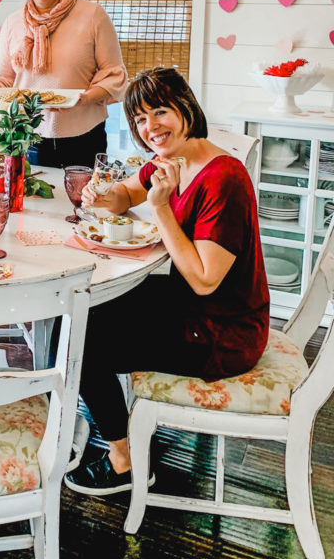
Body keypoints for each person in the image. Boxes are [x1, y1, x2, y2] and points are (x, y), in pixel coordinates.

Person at [64, 67, 269, 496]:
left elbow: (205, 281)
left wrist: (160, 209)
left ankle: (124, 462)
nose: (150, 127)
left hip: (222, 331)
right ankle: (89, 425)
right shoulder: (171, 161)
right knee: (78, 313)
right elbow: (126, 193)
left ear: (186, 108)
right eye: (140, 119)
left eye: (160, 112)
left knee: (81, 342)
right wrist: (104, 196)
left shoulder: (223, 178)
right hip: (193, 309)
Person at [0, 0, 127, 169]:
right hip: (29, 136)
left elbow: (114, 75)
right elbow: (5, 79)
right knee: (33, 203)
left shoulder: (93, 16)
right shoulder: (13, 23)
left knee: (84, 203)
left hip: (85, 136)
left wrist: (83, 99)